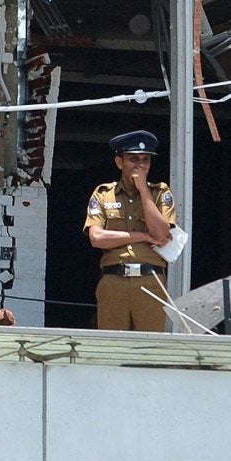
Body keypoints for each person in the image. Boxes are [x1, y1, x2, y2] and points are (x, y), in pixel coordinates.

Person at [84, 129, 176, 332]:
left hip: (151, 280)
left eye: (145, 160)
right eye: (134, 159)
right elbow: (97, 238)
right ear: (119, 162)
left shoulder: (160, 193)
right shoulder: (103, 194)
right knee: (113, 344)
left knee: (150, 346)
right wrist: (142, 236)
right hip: (114, 280)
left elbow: (162, 236)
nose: (140, 165)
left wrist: (143, 190)